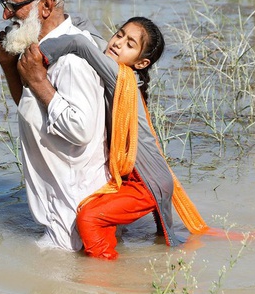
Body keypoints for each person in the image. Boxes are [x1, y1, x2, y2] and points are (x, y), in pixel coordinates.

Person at [35, 17, 211, 260]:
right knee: (169, 246)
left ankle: (105, 277)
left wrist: (37, 55)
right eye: (119, 35)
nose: (118, 44)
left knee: (90, 216)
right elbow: (89, 35)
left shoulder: (119, 77)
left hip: (146, 182)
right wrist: (70, 20)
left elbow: (80, 43)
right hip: (151, 177)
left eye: (130, 44)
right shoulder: (123, 76)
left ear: (141, 63)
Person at [0, 0, 109, 252]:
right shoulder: (40, 50)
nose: (6, 14)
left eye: (14, 5)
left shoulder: (72, 58)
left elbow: (80, 129)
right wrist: (10, 67)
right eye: (4, 3)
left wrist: (41, 83)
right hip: (59, 217)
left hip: (74, 223)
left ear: (45, 6)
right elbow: (34, 109)